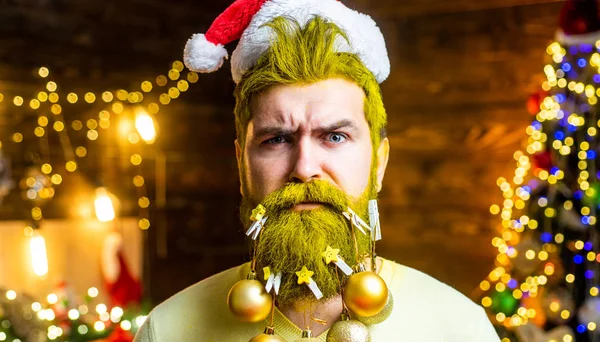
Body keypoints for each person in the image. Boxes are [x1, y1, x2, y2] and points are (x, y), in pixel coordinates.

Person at [134, 0, 500, 340]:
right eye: (276, 139)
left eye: (335, 136)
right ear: (241, 164)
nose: (305, 168)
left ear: (379, 163)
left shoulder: (460, 328)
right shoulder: (166, 331)